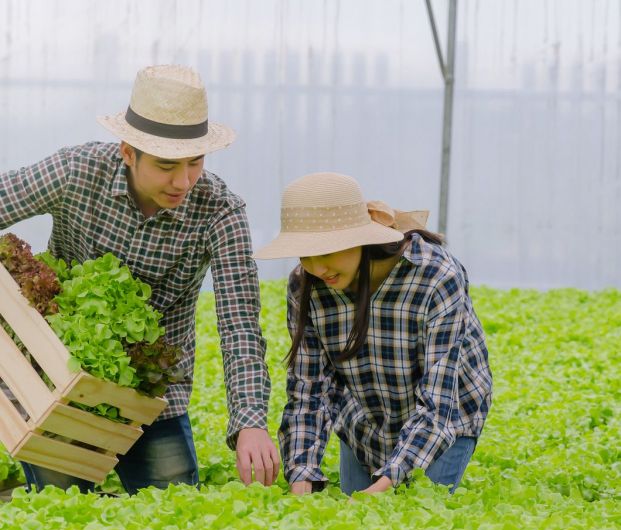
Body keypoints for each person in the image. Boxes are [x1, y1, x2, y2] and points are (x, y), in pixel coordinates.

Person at [0, 65, 279, 493]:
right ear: (128, 152)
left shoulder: (219, 211)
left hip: (150, 401)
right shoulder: (76, 172)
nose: (183, 181)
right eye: (167, 165)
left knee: (173, 509)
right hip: (62, 384)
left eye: (195, 163)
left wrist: (251, 423)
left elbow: (239, 323)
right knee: (64, 509)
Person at [254, 172, 492, 495]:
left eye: (325, 252)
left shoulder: (435, 275)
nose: (316, 268)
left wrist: (383, 486)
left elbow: (439, 405)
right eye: (305, 255)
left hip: (446, 420)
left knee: (414, 518)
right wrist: (301, 478)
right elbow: (308, 392)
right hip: (364, 420)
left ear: (359, 238)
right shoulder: (305, 284)